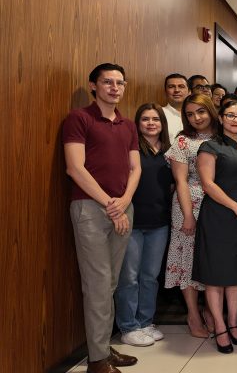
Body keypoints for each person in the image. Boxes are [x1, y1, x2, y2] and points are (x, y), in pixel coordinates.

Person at [63, 63, 141, 373]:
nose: (114, 87)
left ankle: (103, 348)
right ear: (93, 86)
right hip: (91, 209)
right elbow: (75, 168)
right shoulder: (79, 118)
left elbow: (136, 168)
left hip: (122, 208)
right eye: (107, 82)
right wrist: (111, 204)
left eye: (120, 82)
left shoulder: (128, 124)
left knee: (109, 283)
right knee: (97, 284)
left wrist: (124, 202)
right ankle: (97, 360)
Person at [195, 101, 237, 354]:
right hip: (219, 215)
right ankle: (220, 327)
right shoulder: (210, 146)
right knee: (216, 274)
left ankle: (233, 323)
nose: (236, 119)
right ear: (221, 118)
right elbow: (208, 184)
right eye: (230, 115)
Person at [114, 103, 172, 347]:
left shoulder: (169, 151)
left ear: (162, 123)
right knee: (129, 277)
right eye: (145, 119)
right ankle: (128, 326)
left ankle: (146, 322)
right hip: (133, 221)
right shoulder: (132, 149)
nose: (151, 123)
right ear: (137, 124)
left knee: (150, 276)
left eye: (155, 119)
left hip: (160, 223)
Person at [164, 94, 218, 338]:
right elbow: (181, 181)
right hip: (189, 204)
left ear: (211, 111)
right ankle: (193, 314)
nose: (196, 117)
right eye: (190, 114)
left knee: (211, 259)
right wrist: (188, 215)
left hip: (217, 205)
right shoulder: (183, 141)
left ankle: (210, 309)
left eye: (201, 111)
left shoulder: (223, 137)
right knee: (187, 261)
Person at [162, 73, 190, 138]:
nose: (177, 90)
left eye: (181, 86)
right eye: (171, 87)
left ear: (189, 91)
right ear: (165, 91)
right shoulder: (159, 114)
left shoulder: (196, 115)